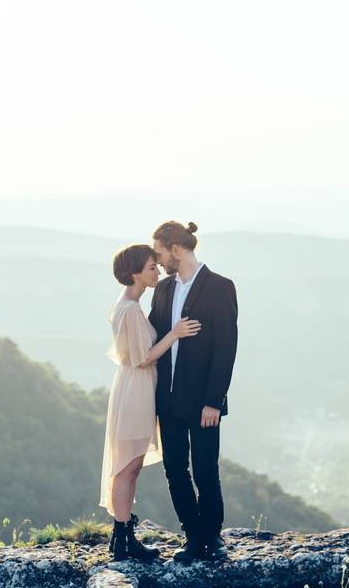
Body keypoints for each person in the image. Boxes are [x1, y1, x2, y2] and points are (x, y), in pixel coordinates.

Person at [100, 243, 201, 561]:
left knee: (131, 466)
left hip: (135, 388)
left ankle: (123, 538)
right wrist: (175, 334)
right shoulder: (130, 308)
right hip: (137, 390)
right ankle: (123, 538)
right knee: (127, 467)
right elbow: (143, 358)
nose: (157, 271)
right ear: (134, 273)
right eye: (151, 268)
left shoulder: (130, 304)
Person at [148, 221, 239, 563]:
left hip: (204, 403)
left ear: (176, 249)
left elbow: (226, 347)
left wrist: (214, 401)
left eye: (159, 253)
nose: (158, 261)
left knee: (205, 470)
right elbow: (153, 336)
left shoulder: (220, 287)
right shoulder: (163, 289)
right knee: (174, 469)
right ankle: (192, 536)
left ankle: (212, 539)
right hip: (167, 399)